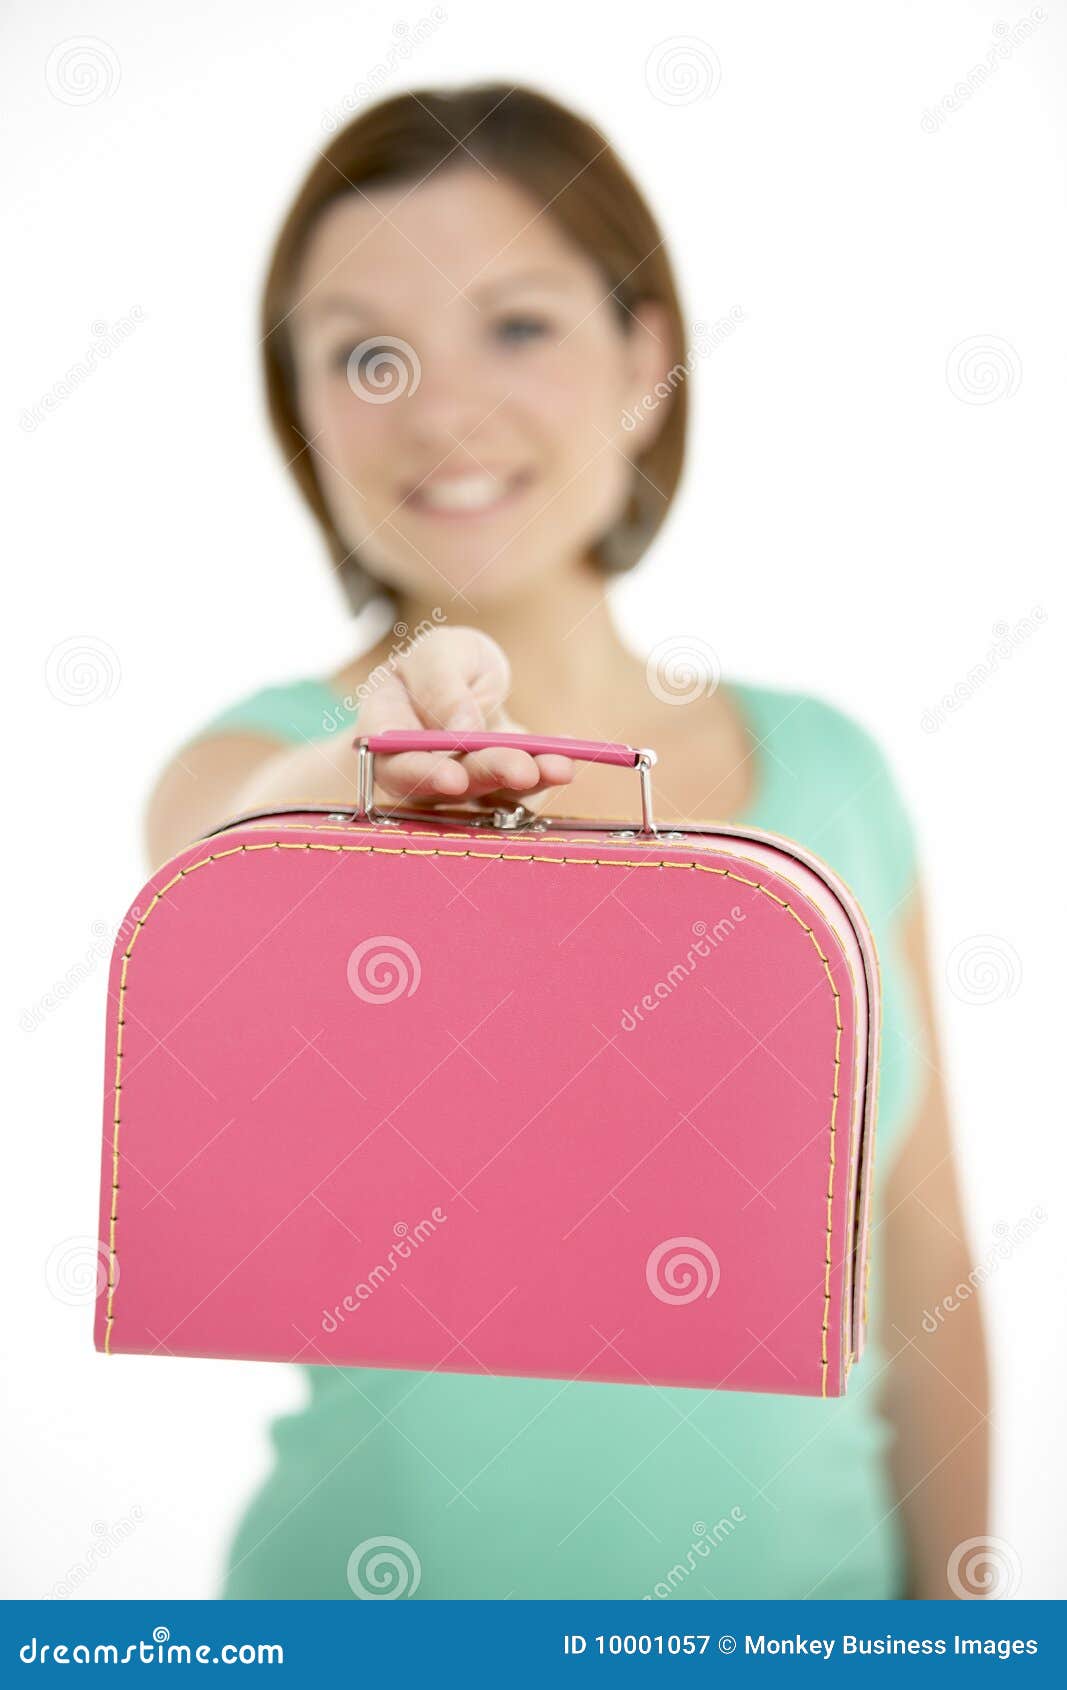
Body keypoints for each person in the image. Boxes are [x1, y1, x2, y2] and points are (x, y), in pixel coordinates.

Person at [147, 83, 989, 1600]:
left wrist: (962, 1625)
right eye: (365, 353)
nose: (441, 406)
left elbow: (922, 1262)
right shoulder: (254, 757)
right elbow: (221, 856)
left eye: (518, 325)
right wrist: (355, 778)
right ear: (304, 413)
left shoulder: (837, 776)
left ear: (648, 360)